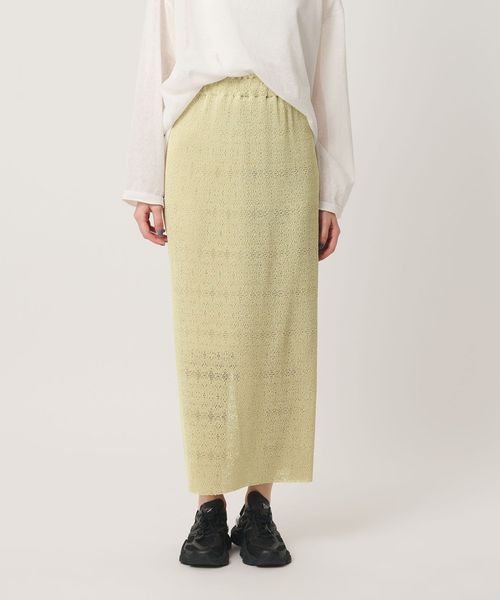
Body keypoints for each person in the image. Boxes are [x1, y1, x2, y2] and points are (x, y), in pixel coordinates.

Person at [122, 0, 355, 568]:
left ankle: (259, 505)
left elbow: (328, 77)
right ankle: (208, 504)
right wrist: (146, 179)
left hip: (284, 142)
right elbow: (156, 59)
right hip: (201, 136)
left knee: (277, 332)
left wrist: (330, 193)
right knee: (206, 334)